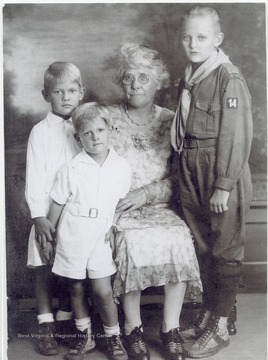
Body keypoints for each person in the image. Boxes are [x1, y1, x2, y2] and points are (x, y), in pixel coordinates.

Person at [107, 43, 202, 360]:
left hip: (160, 206)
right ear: (122, 81)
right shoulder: (107, 119)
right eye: (129, 78)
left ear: (159, 80)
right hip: (119, 206)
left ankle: (169, 327)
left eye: (143, 78)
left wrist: (146, 194)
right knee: (131, 243)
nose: (135, 85)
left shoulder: (173, 121)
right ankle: (132, 329)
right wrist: (120, 198)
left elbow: (180, 178)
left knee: (178, 237)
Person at [171, 6, 253, 358]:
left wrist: (223, 184)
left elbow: (235, 135)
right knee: (202, 247)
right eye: (188, 37)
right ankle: (209, 313)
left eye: (201, 37)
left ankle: (221, 324)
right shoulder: (191, 76)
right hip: (190, 165)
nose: (193, 43)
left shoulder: (227, 77)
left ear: (217, 39)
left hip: (219, 168)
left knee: (224, 249)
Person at [47, 103, 131, 360]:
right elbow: (58, 204)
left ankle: (113, 337)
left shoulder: (121, 167)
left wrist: (115, 227)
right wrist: (49, 237)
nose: (95, 137)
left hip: (101, 233)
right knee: (75, 288)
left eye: (100, 130)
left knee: (103, 290)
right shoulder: (71, 169)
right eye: (87, 133)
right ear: (78, 137)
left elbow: (121, 204)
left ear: (110, 131)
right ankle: (86, 337)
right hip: (73, 232)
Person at [25, 61, 85, 355]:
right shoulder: (40, 132)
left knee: (73, 271)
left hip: (77, 216)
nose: (65, 96)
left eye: (72, 90)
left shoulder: (86, 130)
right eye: (58, 91)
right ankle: (45, 325)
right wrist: (38, 217)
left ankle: (70, 324)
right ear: (45, 95)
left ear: (81, 92)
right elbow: (35, 176)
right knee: (43, 269)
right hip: (47, 215)